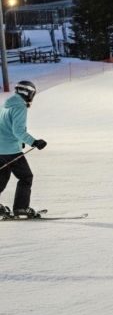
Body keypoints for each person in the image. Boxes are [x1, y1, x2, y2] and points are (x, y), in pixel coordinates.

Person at [0, 80, 47, 219]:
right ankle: (21, 208)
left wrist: (20, 142)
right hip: (10, 150)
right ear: (28, 93)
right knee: (26, 177)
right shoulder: (19, 107)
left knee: (2, 177)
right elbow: (17, 131)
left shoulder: (6, 105)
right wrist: (34, 142)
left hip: (1, 149)